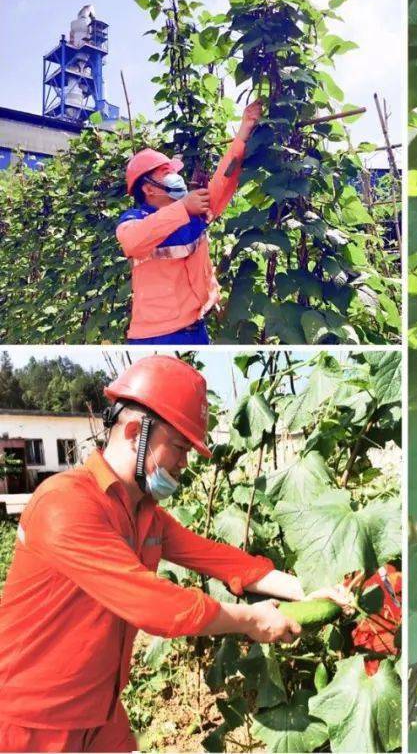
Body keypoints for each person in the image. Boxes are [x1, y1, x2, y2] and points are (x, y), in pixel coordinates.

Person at [0, 356, 352, 752]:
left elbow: (221, 560)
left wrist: (311, 591)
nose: (184, 463)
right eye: (179, 447)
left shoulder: (143, 513)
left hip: (99, 713)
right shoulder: (65, 504)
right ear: (135, 431)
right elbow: (155, 606)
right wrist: (250, 618)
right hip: (31, 720)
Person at [118, 101, 263, 344]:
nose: (175, 177)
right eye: (165, 173)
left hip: (195, 328)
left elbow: (223, 180)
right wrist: (182, 208)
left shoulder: (194, 211)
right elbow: (131, 242)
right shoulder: (134, 220)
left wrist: (243, 132)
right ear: (148, 189)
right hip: (155, 335)